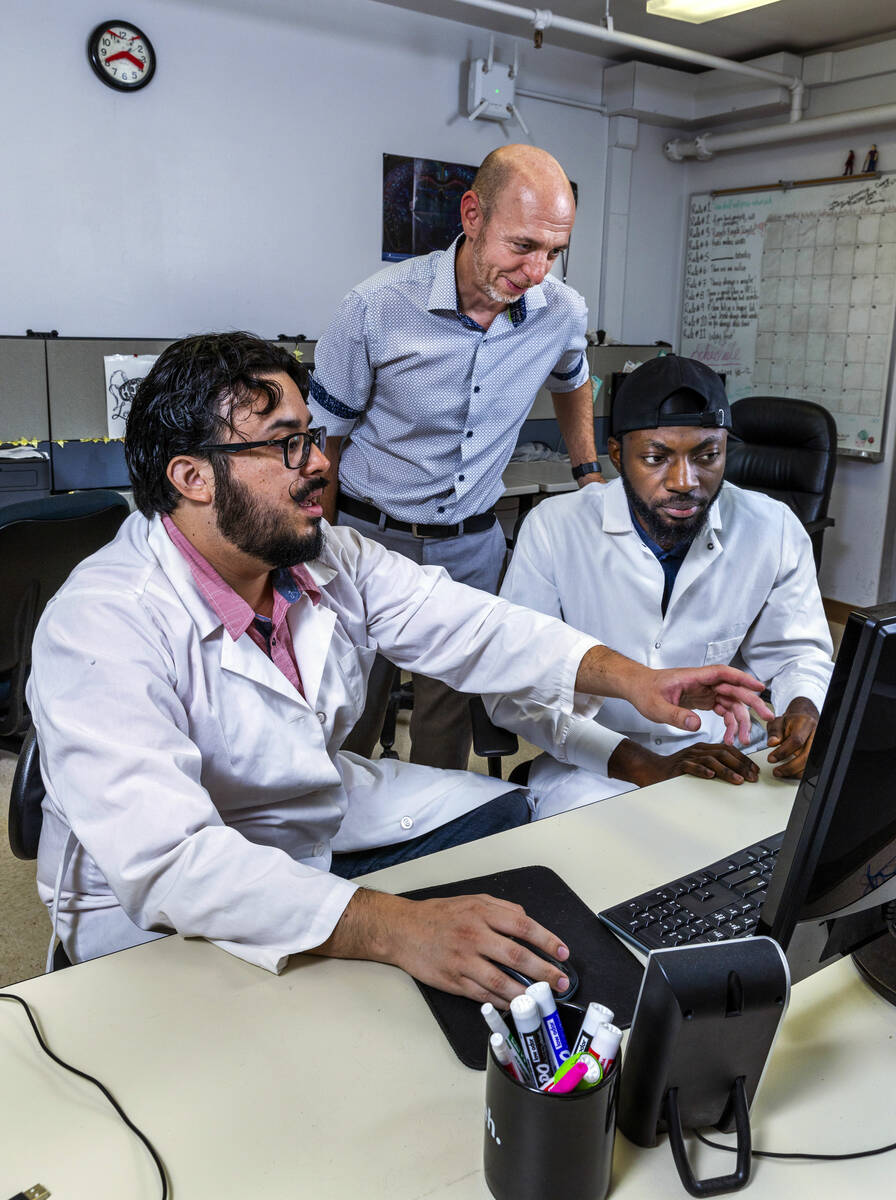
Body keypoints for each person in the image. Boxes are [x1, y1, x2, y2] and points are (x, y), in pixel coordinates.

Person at [28, 333, 773, 1001]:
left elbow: (476, 629)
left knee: (512, 815)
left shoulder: (327, 559)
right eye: (287, 445)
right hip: (156, 911)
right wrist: (395, 929)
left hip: (313, 821)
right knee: (323, 1015)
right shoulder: (100, 624)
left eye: (312, 437)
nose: (320, 463)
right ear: (192, 477)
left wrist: (633, 679)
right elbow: (171, 862)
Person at [308, 144, 605, 771]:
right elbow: (323, 443)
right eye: (523, 246)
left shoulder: (561, 312)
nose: (537, 272)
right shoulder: (376, 306)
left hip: (472, 545)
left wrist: (588, 475)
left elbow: (574, 378)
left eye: (555, 252)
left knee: (447, 718)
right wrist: (318, 548)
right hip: (368, 537)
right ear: (472, 215)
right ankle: (336, 847)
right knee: (349, 704)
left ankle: (434, 851)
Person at [487, 354, 834, 818]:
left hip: (727, 754)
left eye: (708, 456)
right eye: (656, 458)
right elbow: (517, 686)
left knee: (779, 858)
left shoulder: (773, 527)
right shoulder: (554, 529)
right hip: (598, 765)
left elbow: (798, 654)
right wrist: (644, 764)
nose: (684, 482)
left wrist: (804, 709)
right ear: (616, 454)